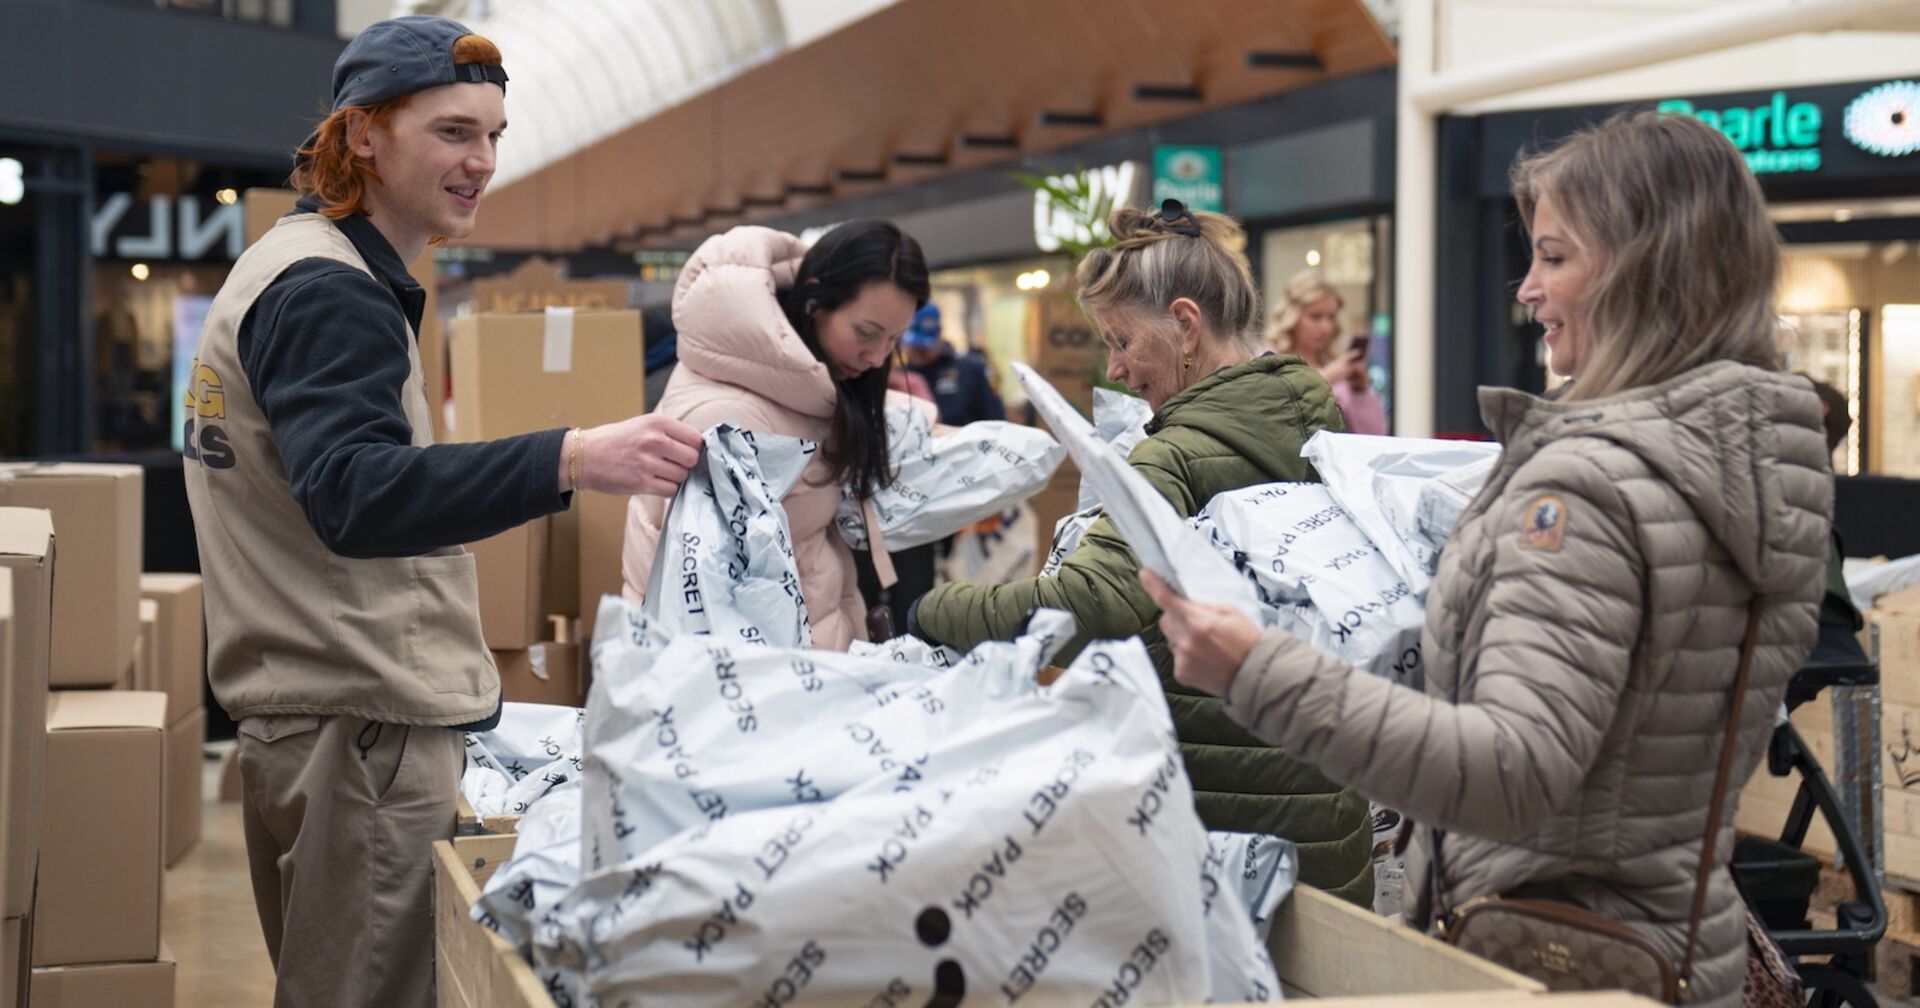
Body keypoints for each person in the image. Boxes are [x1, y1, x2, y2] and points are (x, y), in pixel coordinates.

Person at [1142, 111, 1831, 1008]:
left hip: (1553, 956)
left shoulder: (1589, 490)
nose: (1526, 288)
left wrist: (1254, 669)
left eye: (1555, 255)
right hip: (1680, 946)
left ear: (1640, 267)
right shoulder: (1749, 463)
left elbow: (1511, 771)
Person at [181, 17, 701, 1007]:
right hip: (360, 727)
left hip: (312, 715)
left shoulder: (289, 267)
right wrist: (574, 455)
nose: (483, 162)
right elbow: (355, 493)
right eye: (454, 132)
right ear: (363, 135)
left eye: (495, 135)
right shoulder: (329, 293)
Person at [909, 200, 1374, 904]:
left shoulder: (1172, 455)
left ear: (1186, 325)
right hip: (1326, 820)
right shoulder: (1319, 419)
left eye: (1122, 340)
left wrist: (927, 608)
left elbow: (1085, 606)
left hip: (1223, 842)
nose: (1118, 369)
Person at [622, 220, 931, 649]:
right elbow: (708, 607)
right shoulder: (730, 418)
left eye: (894, 339)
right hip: (761, 692)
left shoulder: (804, 391)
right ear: (814, 301)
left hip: (797, 673)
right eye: (866, 333)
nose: (878, 357)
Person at [1268, 268, 1387, 434]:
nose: (1326, 327)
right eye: (1315, 317)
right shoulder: (1268, 360)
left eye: (1331, 317)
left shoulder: (1336, 365)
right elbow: (1269, 415)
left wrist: (1360, 391)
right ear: (1292, 316)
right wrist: (1326, 378)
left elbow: (1374, 435)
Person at [902, 302, 1005, 426]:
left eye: (924, 347)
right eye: (914, 345)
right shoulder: (900, 377)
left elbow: (995, 418)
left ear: (939, 334)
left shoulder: (970, 369)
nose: (918, 351)